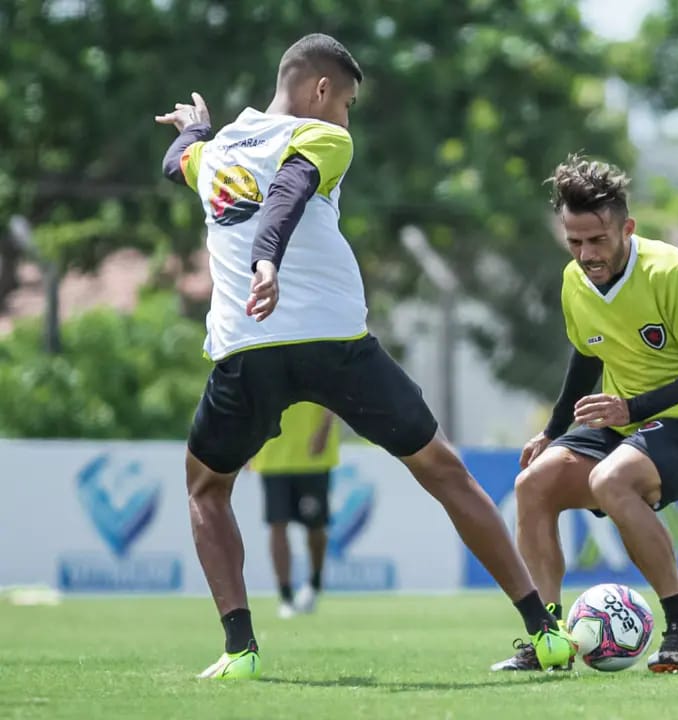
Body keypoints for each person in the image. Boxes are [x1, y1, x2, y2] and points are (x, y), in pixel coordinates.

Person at [156, 33, 574, 680]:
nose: (348, 117)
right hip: (333, 343)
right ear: (321, 90)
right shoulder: (326, 140)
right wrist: (269, 259)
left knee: (207, 490)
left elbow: (175, 162)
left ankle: (239, 650)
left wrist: (197, 127)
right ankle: (543, 631)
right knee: (445, 472)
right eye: (347, 102)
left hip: (248, 348)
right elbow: (289, 194)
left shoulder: (215, 155)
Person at [491, 154, 678, 673]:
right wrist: (553, 430)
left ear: (627, 227)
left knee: (612, 480)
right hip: (625, 422)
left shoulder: (672, 273)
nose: (587, 254)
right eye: (575, 242)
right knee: (532, 484)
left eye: (598, 240)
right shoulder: (574, 281)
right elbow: (588, 352)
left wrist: (633, 406)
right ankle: (549, 640)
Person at [248, 402, 339, 619]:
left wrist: (324, 429)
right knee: (277, 525)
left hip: (313, 456)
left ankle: (314, 584)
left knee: (316, 528)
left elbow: (335, 394)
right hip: (272, 457)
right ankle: (285, 596)